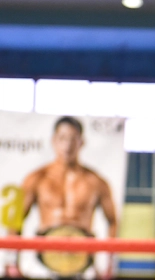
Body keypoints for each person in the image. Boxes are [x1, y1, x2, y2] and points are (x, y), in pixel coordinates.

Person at [5, 116, 118, 279]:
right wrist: (12, 261)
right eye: (62, 138)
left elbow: (112, 220)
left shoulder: (96, 182)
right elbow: (17, 219)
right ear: (54, 141)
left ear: (81, 142)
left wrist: (109, 263)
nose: (67, 145)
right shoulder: (37, 178)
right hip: (43, 262)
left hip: (83, 263)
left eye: (73, 139)